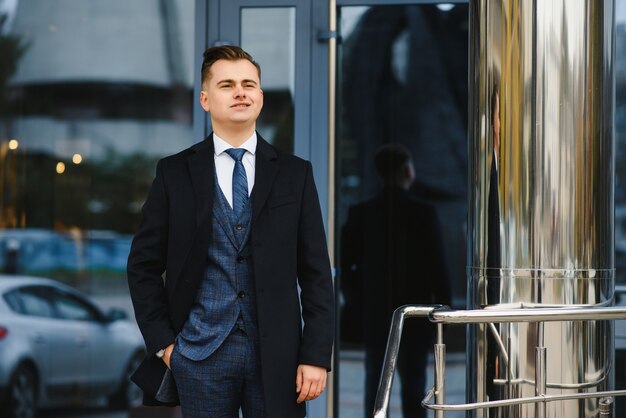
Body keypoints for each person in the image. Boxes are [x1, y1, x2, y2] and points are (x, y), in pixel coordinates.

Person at [127, 45, 335, 418]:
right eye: (227, 84)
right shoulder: (174, 173)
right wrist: (166, 347)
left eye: (248, 84)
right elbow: (142, 266)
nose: (240, 92)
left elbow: (317, 273)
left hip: (279, 358)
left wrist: (316, 356)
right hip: (198, 356)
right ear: (205, 99)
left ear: (260, 97)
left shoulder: (295, 174)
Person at [340, 143, 450, 418]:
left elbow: (345, 267)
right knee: (415, 389)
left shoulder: (361, 213)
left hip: (376, 313)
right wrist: (445, 312)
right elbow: (439, 268)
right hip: (417, 315)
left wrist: (357, 301)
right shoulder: (423, 213)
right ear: (407, 172)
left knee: (376, 388)